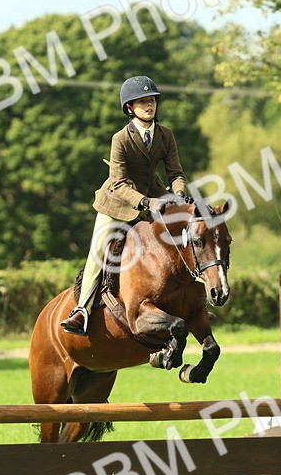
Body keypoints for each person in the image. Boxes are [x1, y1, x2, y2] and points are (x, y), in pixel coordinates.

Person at [61, 75, 188, 335]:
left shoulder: (165, 135)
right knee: (99, 250)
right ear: (130, 108)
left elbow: (175, 173)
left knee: (185, 236)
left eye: (151, 100)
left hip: (153, 195)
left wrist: (179, 194)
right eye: (142, 102)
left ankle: (189, 301)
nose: (149, 105)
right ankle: (82, 310)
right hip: (118, 203)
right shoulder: (120, 139)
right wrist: (144, 201)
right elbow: (119, 183)